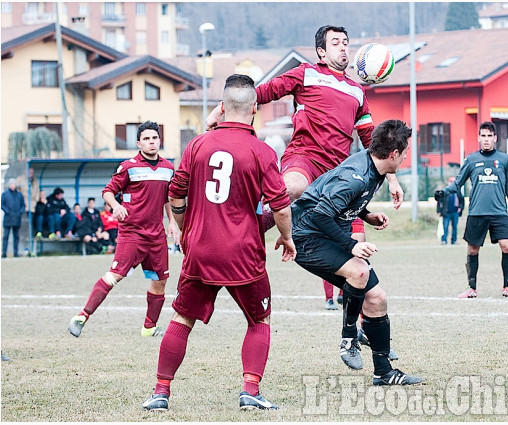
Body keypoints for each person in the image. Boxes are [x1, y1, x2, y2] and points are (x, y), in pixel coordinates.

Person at [206, 24, 404, 314]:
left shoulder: (358, 92)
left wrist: (393, 176)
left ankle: (363, 324)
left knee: (359, 254)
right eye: (335, 43)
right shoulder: (305, 73)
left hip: (338, 176)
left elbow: (372, 140)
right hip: (305, 158)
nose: (343, 47)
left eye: (346, 42)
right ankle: (238, 237)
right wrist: (221, 110)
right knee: (291, 188)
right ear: (321, 52)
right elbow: (262, 92)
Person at [142, 75, 296, 412]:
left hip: (200, 250)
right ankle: (250, 390)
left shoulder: (198, 144)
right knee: (260, 320)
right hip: (243, 253)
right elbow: (281, 205)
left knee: (182, 318)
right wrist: (286, 237)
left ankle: (160, 392)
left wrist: (182, 228)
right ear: (255, 109)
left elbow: (176, 192)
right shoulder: (261, 150)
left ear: (222, 107)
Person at [291, 119, 422, 386]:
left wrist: (368, 215)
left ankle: (383, 373)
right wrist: (352, 244)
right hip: (308, 237)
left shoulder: (374, 169)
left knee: (377, 298)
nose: (406, 157)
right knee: (359, 270)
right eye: (405, 152)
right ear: (394, 154)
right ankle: (349, 337)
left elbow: (345, 201)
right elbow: (319, 215)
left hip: (327, 230)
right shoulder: (356, 176)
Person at [67, 121, 180, 338]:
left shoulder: (168, 168)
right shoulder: (128, 166)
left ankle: (149, 327)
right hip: (132, 233)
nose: (151, 142)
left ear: (159, 140)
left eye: (154, 138)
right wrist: (116, 205)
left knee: (160, 280)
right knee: (115, 275)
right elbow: (108, 191)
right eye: (146, 139)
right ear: (139, 143)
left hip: (156, 235)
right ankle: (81, 316)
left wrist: (172, 222)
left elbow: (168, 197)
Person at [434, 121, 508, 299]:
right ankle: (471, 288)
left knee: (507, 247)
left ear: (495, 138)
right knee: (473, 250)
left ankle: (507, 286)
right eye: (483, 136)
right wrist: (443, 192)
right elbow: (457, 183)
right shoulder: (471, 160)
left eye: (490, 136)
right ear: (479, 138)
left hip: (499, 213)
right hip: (476, 213)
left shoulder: (504, 160)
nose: (487, 139)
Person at [436, 176, 464, 245]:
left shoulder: (458, 191)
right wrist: (439, 211)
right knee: (445, 227)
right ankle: (444, 240)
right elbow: (439, 201)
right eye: (451, 182)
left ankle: (454, 240)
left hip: (455, 212)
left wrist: (460, 208)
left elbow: (461, 200)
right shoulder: (445, 191)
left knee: (455, 227)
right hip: (446, 212)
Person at [2, 178, 25, 258]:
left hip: (17, 218)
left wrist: (20, 212)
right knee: (6, 236)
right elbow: (2, 205)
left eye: (14, 184)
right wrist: (7, 211)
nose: (13, 186)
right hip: (8, 218)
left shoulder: (19, 195)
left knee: (16, 237)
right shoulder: (5, 194)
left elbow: (23, 205)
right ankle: (4, 253)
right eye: (11, 184)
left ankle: (16, 253)